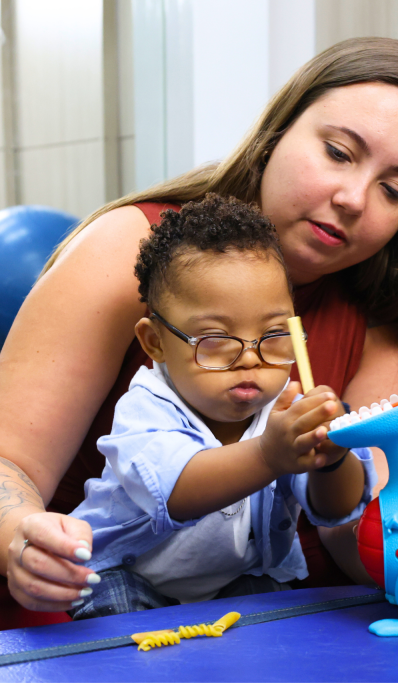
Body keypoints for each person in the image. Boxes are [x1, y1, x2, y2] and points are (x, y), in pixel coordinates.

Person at [0, 36, 398, 657]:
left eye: (394, 190)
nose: (353, 199)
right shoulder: (133, 249)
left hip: (258, 581)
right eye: (337, 152)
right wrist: (22, 542)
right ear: (276, 134)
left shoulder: (384, 323)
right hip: (89, 569)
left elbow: (353, 530)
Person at [67, 194, 374, 618]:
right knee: (120, 620)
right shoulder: (146, 406)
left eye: (273, 336)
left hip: (230, 580)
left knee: (273, 609)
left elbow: (335, 510)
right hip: (124, 572)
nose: (250, 359)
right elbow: (176, 493)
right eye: (215, 340)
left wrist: (332, 458)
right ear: (155, 342)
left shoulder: (285, 411)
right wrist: (269, 455)